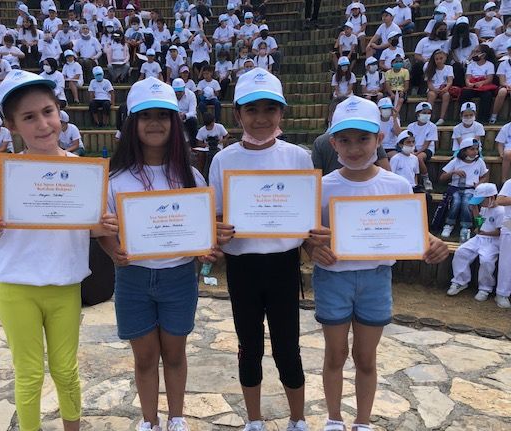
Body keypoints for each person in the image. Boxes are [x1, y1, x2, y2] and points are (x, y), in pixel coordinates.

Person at [0, 70, 117, 431]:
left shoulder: (81, 171)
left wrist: (105, 226)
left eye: (48, 112)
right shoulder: (7, 172)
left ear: (59, 112)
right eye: (29, 117)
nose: (42, 124)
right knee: (29, 373)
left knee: (66, 370)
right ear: (12, 125)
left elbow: (93, 226)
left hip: (65, 284)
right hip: (16, 287)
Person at [304, 95, 449, 431]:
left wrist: (433, 243)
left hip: (376, 278)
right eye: (344, 140)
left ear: (379, 139)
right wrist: (312, 248)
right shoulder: (322, 187)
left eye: (363, 138)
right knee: (335, 355)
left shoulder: (396, 185)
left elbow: (412, 230)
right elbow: (308, 235)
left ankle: (363, 421)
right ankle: (334, 418)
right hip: (333, 279)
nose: (354, 148)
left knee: (366, 357)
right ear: (332, 143)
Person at [97, 77, 208, 431]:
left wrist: (206, 249)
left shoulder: (191, 177)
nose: (155, 123)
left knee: (175, 354)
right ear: (132, 123)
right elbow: (103, 230)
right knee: (144, 358)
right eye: (145, 116)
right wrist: (113, 250)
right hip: (133, 278)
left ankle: (176, 417)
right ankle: (150, 420)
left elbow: (202, 231)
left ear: (175, 122)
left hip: (179, 277)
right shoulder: (116, 179)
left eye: (163, 115)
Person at [208, 68, 309, 431]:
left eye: (270, 109)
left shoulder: (298, 157)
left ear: (282, 112)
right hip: (243, 266)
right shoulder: (224, 160)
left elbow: (306, 214)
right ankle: (254, 420)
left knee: (288, 347)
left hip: (283, 265)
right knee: (248, 346)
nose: (261, 118)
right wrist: (218, 230)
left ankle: (298, 419)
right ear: (238, 114)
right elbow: (215, 216)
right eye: (252, 109)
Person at [448, 182, 504, 301]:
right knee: (461, 251)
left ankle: (485, 288)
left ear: (491, 197)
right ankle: (460, 281)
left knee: (486, 260)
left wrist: (485, 233)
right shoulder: (484, 208)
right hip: (479, 238)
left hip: (493, 241)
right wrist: (475, 210)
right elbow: (480, 223)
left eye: (481, 200)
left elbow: (500, 231)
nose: (480, 203)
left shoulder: (501, 211)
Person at [439, 138, 490, 239]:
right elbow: (442, 177)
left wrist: (479, 184)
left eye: (477, 149)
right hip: (456, 188)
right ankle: (449, 224)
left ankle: (466, 226)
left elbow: (485, 176)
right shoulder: (456, 161)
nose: (475, 152)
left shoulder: (479, 162)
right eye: (472, 149)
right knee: (456, 201)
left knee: (466, 202)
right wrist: (453, 172)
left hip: (471, 189)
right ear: (464, 150)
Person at [458, 44, 497, 123]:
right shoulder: (471, 64)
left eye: (477, 52)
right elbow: (467, 77)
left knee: (487, 95)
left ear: (483, 54)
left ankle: (482, 119)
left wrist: (481, 83)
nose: (474, 54)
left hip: (484, 86)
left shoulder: (490, 65)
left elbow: (489, 79)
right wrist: (469, 83)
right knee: (465, 93)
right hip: (472, 86)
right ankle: (464, 116)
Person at [411, 21, 449, 95]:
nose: (443, 31)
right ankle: (415, 88)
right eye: (441, 29)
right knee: (417, 66)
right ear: (435, 30)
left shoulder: (446, 42)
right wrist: (424, 60)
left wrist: (434, 60)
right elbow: (417, 55)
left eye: (445, 30)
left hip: (438, 62)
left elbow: (445, 55)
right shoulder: (424, 40)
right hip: (424, 61)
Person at [407, 102, 437, 191]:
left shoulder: (432, 126)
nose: (426, 115)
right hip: (413, 148)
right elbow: (409, 140)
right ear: (417, 113)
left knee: (419, 158)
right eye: (424, 113)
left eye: (428, 113)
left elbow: (426, 144)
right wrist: (412, 151)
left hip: (427, 149)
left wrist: (416, 153)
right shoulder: (411, 126)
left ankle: (426, 180)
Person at [425, 49, 453, 126]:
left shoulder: (449, 68)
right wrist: (434, 89)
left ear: (445, 58)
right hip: (433, 89)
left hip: (443, 88)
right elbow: (429, 83)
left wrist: (446, 88)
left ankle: (441, 118)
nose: (439, 61)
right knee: (431, 95)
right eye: (437, 59)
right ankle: (427, 117)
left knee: (446, 95)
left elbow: (450, 81)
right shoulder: (430, 68)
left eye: (441, 58)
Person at [448, 16, 479, 88]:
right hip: (456, 62)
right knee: (457, 68)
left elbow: (474, 51)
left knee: (469, 67)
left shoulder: (473, 36)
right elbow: (452, 53)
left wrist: (467, 60)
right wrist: (458, 62)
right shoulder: (451, 39)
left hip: (470, 60)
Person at [496, 178, 511, 308]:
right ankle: (502, 293)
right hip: (510, 222)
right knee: (507, 261)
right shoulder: (510, 183)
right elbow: (499, 200)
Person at [172, 77, 197, 145]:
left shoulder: (191, 95)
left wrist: (184, 116)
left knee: (192, 121)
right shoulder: (170, 95)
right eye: (176, 92)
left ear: (184, 89)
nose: (178, 93)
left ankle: (193, 145)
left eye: (180, 91)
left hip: (187, 118)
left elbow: (193, 111)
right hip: (175, 117)